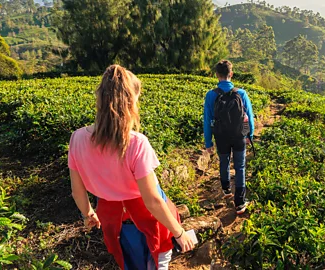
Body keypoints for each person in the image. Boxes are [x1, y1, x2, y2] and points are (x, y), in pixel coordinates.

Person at [68, 65, 195, 270]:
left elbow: (77, 190)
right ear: (130, 103)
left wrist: (88, 213)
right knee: (157, 262)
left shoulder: (77, 138)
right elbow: (153, 201)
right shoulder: (135, 143)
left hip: (114, 220)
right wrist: (179, 233)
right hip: (149, 220)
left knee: (129, 262)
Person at [203, 60, 254, 215]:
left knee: (223, 161)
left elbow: (207, 119)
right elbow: (248, 117)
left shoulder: (211, 95)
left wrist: (208, 142)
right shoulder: (242, 93)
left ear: (217, 75)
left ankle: (226, 189)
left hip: (221, 136)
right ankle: (239, 202)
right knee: (240, 167)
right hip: (239, 136)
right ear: (231, 74)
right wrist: (248, 135)